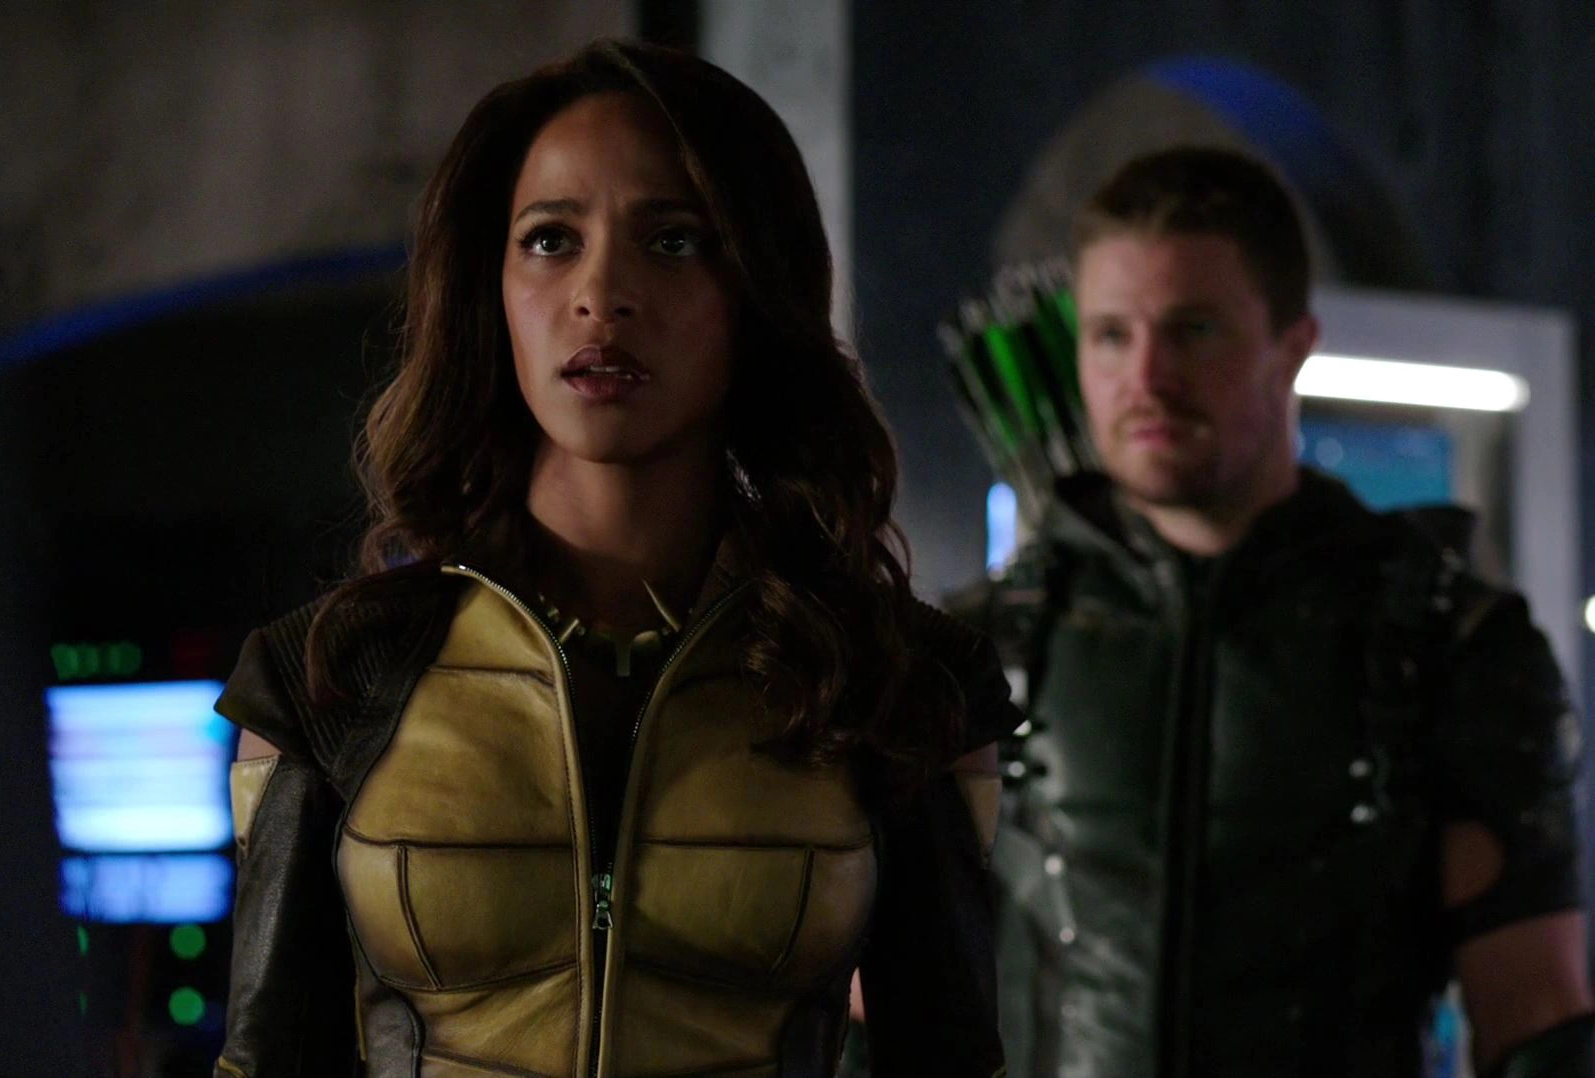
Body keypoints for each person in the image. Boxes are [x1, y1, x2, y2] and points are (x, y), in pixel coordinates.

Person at [211, 40, 1018, 1078]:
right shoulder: (330, 682)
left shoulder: (897, 682)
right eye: (550, 240)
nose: (602, 293)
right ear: (492, 286)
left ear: (754, 285)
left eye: (674, 241)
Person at [954, 146, 1593, 1077]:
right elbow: (883, 1008)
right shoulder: (983, 648)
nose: (1148, 377)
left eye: (1194, 329)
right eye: (1111, 335)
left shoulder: (1446, 640)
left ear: (1293, 345)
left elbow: (1535, 1022)